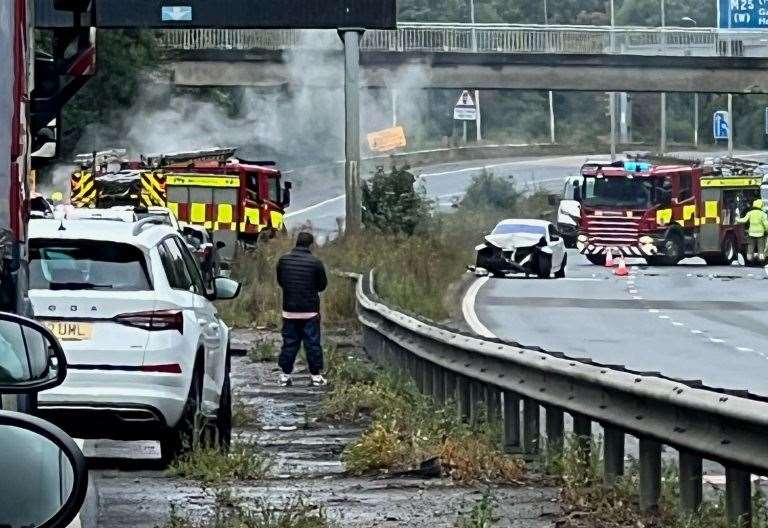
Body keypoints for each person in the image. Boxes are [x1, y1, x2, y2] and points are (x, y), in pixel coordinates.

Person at [276, 231, 328, 387]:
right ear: (310, 245)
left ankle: (285, 375)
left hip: (289, 311)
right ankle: (315, 376)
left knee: (289, 343)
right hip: (310, 311)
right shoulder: (316, 263)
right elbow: (322, 285)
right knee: (312, 343)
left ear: (296, 242)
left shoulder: (283, 261)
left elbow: (281, 281)